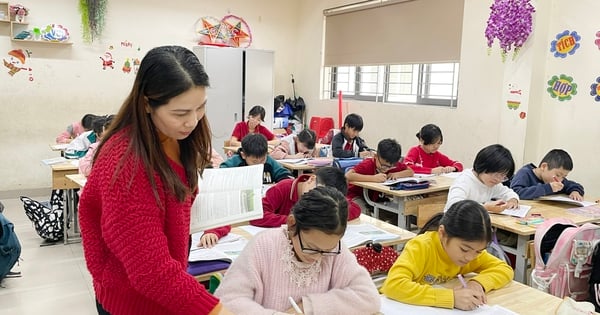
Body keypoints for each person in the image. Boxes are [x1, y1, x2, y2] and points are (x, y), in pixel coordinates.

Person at [78, 46, 232, 315]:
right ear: (147, 103)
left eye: (201, 107)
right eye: (180, 113)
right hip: (132, 301)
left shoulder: (177, 137)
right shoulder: (125, 162)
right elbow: (150, 271)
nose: (193, 121)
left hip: (164, 289)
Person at [215, 186, 381, 314]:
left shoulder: (332, 251)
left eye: (327, 250)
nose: (318, 258)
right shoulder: (264, 246)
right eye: (311, 248)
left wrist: (308, 307)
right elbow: (228, 300)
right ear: (292, 223)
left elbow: (369, 297)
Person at [380, 200, 514, 311]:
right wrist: (451, 298)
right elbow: (393, 285)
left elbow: (504, 269)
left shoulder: (472, 252)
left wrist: (477, 283)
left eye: (478, 251)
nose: (470, 257)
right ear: (442, 233)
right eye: (464, 249)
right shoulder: (421, 247)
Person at [251, 166, 362, 227]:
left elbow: (355, 208)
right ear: (311, 179)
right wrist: (295, 221)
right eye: (318, 192)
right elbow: (256, 215)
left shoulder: (328, 198)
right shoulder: (284, 188)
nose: (318, 200)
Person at [444, 144, 519, 213]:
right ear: (483, 166)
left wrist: (513, 200)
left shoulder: (492, 183)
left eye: (503, 176)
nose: (498, 180)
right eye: (496, 174)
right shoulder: (464, 181)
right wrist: (485, 208)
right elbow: (454, 206)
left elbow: (508, 193)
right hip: (456, 224)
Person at [346, 138, 414, 214]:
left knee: (396, 213)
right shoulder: (367, 164)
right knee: (363, 213)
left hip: (375, 199)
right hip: (355, 196)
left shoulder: (392, 163)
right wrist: (373, 178)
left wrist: (396, 174)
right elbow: (348, 175)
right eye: (383, 166)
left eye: (390, 167)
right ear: (375, 156)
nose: (386, 169)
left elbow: (410, 171)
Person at [510, 149, 584, 200]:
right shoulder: (524, 173)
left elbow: (574, 185)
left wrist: (575, 191)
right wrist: (547, 188)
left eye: (564, 177)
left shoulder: (558, 180)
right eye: (558, 175)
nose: (560, 180)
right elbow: (515, 193)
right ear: (544, 166)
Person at [220, 133, 293, 184]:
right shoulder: (236, 161)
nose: (259, 164)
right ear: (243, 155)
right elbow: (221, 172)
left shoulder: (269, 161)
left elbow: (285, 175)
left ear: (266, 154)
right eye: (254, 161)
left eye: (262, 160)